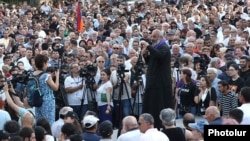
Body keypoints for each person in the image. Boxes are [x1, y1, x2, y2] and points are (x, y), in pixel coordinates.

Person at [140, 29, 174, 129]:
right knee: (151, 106)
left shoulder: (164, 47)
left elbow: (160, 56)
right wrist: (145, 54)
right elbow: (151, 61)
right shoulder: (156, 47)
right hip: (153, 82)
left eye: (154, 37)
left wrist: (148, 46)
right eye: (152, 36)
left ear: (160, 37)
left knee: (159, 106)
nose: (152, 39)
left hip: (160, 84)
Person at [33, 54, 59, 126]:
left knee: (39, 122)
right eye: (47, 62)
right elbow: (55, 88)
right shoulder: (46, 75)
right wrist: (57, 77)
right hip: (48, 101)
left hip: (37, 101)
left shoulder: (33, 74)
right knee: (49, 123)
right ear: (44, 63)